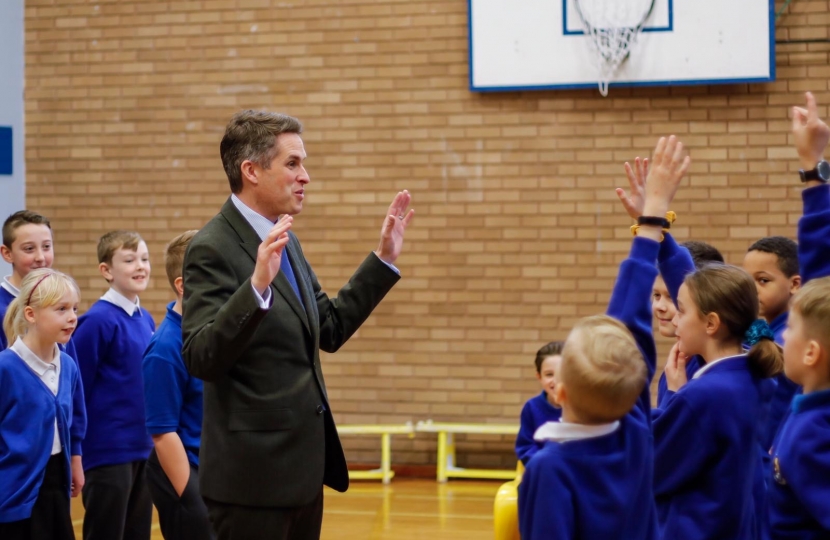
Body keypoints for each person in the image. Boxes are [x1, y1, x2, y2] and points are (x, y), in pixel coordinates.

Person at [181, 110, 413, 540]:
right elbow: (200, 356)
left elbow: (329, 327)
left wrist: (382, 260)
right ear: (251, 171)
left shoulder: (286, 238)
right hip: (251, 484)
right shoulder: (210, 247)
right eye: (292, 164)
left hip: (302, 475)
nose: (305, 176)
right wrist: (255, 288)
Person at [519, 135, 690, 540]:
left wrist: (650, 223)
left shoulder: (550, 468)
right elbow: (629, 323)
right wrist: (652, 220)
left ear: (558, 394)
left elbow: (627, 322)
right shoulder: (634, 434)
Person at [767, 90, 830, 540]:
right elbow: (821, 277)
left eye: (787, 330)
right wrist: (813, 167)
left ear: (811, 352)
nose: (780, 336)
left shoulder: (811, 437)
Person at [72, 230, 156, 540]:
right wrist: (76, 450)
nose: (140, 266)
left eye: (144, 259)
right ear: (106, 270)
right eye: (130, 259)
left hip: (142, 448)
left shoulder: (145, 318)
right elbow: (76, 390)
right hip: (107, 452)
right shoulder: (97, 321)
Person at [0, 269, 86, 540]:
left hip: (55, 486)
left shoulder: (68, 365)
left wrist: (75, 461)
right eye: (61, 309)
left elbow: (73, 422)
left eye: (74, 308)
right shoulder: (5, 368)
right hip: (12, 495)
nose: (72, 317)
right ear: (30, 314)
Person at [143, 230, 213, 540]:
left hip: (213, 471)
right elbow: (163, 432)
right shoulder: (165, 348)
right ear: (182, 286)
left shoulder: (209, 333)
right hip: (185, 474)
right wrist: (192, 498)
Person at [0, 211, 78, 365]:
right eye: (29, 249)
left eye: (46, 247)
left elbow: (73, 379)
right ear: (7, 253)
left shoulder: (61, 301)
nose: (41, 257)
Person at [515, 341, 564, 465]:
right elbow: (525, 447)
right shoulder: (532, 407)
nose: (556, 380)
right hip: (543, 472)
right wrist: (546, 464)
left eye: (562, 373)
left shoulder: (584, 406)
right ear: (539, 377)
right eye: (549, 374)